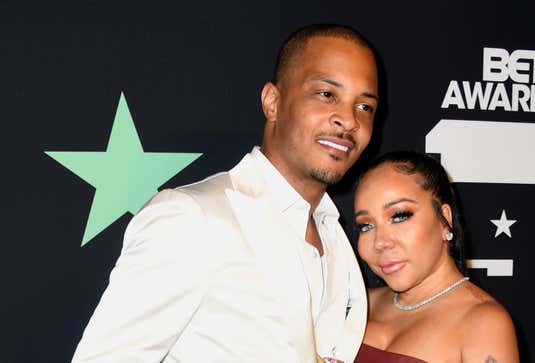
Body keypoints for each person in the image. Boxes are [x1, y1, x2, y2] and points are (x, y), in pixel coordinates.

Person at [72, 24, 379, 363]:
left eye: (365, 106)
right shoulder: (191, 219)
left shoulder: (333, 230)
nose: (349, 120)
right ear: (273, 102)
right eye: (326, 94)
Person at [353, 151, 519, 363]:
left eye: (399, 216)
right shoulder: (359, 302)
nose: (380, 242)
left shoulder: (484, 323)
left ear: (444, 220)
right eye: (366, 225)